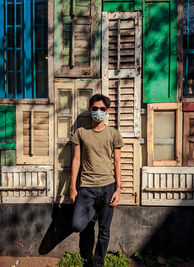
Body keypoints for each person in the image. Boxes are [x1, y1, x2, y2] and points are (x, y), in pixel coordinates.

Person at [70, 94, 124, 267]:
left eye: (102, 109)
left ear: (107, 111)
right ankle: (86, 252)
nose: (98, 112)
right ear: (90, 110)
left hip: (108, 187)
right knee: (78, 225)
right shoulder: (81, 133)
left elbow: (117, 161)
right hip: (87, 188)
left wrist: (119, 188)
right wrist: (72, 187)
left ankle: (97, 263)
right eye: (95, 108)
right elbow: (76, 159)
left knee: (104, 230)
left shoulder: (113, 134)